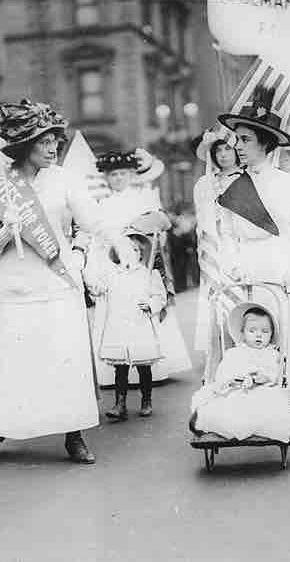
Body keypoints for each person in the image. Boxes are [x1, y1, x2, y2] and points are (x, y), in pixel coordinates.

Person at [0, 99, 131, 464]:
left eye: (56, 140)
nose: (54, 147)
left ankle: (74, 434)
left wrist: (119, 241)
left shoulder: (66, 182)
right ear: (25, 145)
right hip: (15, 285)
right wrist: (8, 229)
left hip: (57, 282)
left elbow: (94, 221)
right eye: (45, 142)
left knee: (64, 357)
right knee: (12, 360)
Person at [216, 86, 290, 424]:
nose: (238, 147)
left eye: (245, 139)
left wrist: (288, 270)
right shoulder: (231, 187)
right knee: (247, 337)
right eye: (236, 140)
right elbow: (226, 235)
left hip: (281, 268)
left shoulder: (289, 184)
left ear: (265, 142)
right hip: (245, 268)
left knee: (288, 337)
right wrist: (231, 266)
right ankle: (250, 410)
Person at [87, 150, 192, 393]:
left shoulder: (143, 198)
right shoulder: (102, 204)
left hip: (140, 260)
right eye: (113, 175)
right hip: (113, 262)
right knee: (115, 313)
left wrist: (136, 231)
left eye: (123, 174)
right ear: (106, 178)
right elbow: (97, 236)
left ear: (132, 175)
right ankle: (116, 369)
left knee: (143, 308)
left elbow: (162, 223)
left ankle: (152, 367)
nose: (119, 179)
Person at [85, 232, 166, 420]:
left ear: (140, 254)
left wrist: (151, 305)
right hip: (119, 327)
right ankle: (119, 404)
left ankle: (146, 401)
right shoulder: (112, 275)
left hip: (140, 326)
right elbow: (98, 289)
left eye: (136, 250)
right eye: (128, 249)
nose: (132, 253)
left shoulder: (148, 274)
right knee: (120, 368)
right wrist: (90, 279)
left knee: (143, 366)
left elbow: (159, 296)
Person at [190, 304, 290, 443]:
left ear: (272, 334)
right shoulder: (234, 352)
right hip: (236, 389)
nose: (258, 335)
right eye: (252, 331)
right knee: (227, 405)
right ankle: (215, 422)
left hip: (261, 391)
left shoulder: (271, 354)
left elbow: (276, 372)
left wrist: (265, 378)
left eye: (265, 331)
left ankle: (245, 425)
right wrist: (231, 379)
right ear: (243, 333)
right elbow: (223, 372)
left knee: (267, 407)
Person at [192, 133, 242, 355]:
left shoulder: (245, 178)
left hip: (238, 242)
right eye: (218, 151)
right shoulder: (206, 183)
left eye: (227, 149)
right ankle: (221, 347)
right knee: (216, 296)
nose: (223, 155)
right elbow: (202, 215)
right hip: (214, 243)